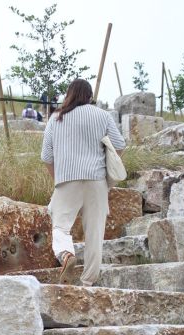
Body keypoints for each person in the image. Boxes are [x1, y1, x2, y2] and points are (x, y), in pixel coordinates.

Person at [41, 79, 126, 286]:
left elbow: (46, 156)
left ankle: (66, 254)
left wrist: (58, 180)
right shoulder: (102, 115)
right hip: (96, 180)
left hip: (66, 179)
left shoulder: (56, 118)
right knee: (95, 232)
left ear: (69, 94)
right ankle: (88, 283)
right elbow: (120, 145)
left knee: (60, 226)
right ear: (89, 96)